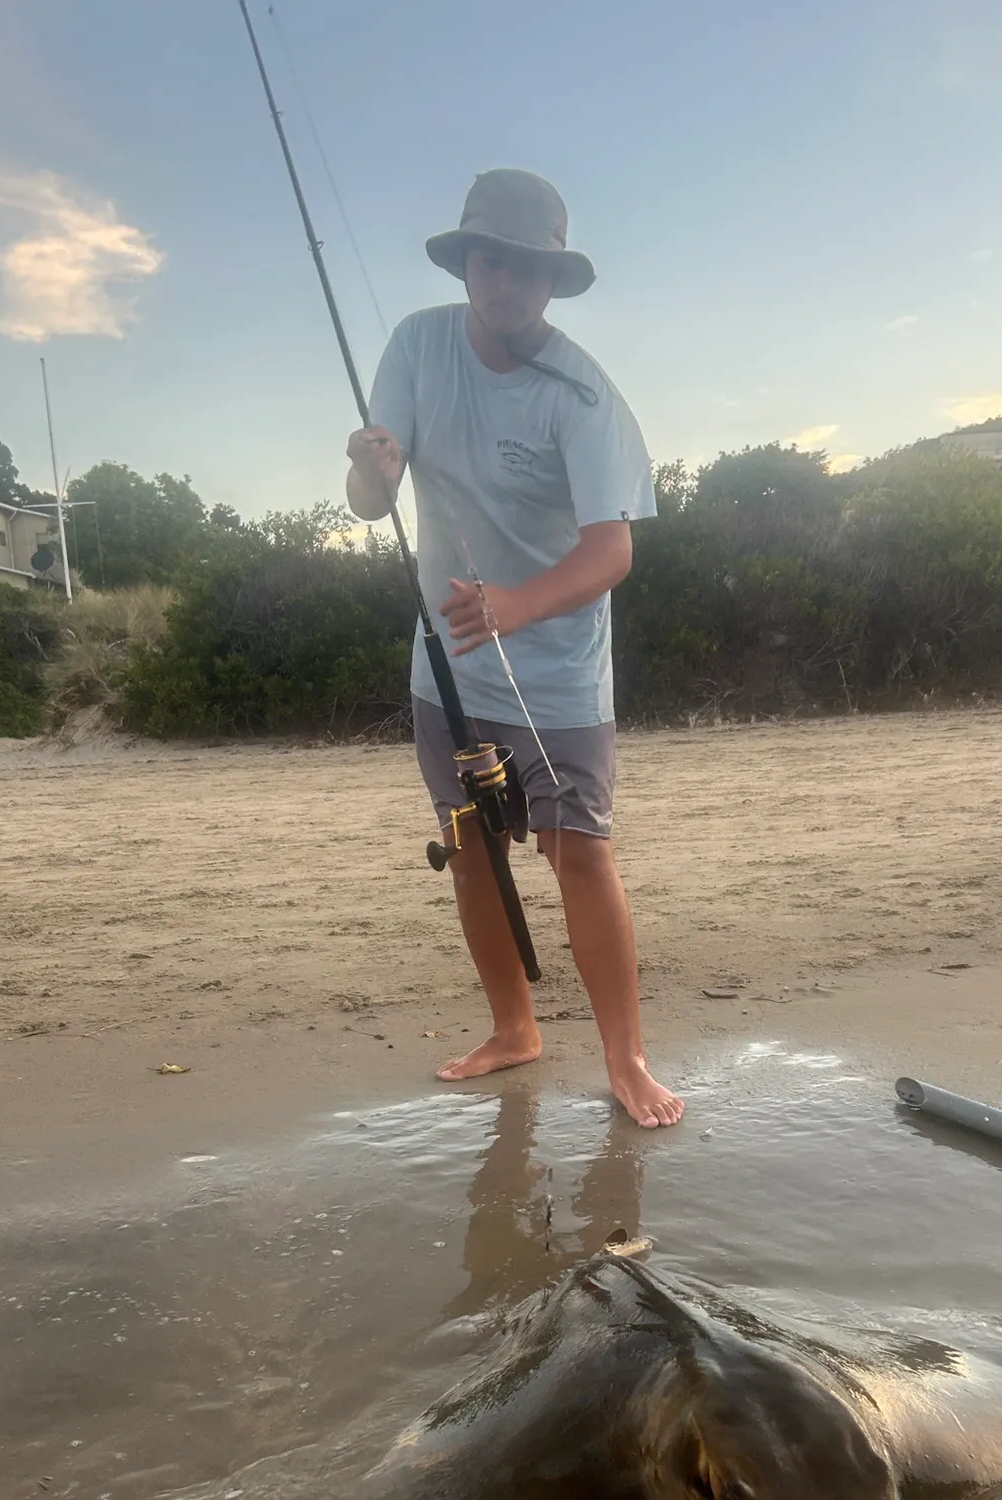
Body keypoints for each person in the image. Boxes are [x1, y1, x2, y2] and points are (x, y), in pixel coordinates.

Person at [344, 167, 683, 1129]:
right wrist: (370, 473)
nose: (507, 283)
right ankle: (515, 1029)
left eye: (528, 268)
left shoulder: (582, 393)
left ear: (552, 279)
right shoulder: (416, 346)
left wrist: (516, 607)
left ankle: (627, 1059)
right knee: (473, 849)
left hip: (560, 667)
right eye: (491, 260)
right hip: (446, 662)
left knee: (580, 851)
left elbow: (611, 550)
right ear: (467, 264)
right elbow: (372, 504)